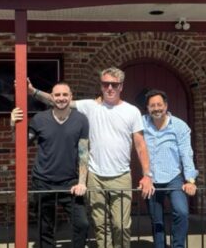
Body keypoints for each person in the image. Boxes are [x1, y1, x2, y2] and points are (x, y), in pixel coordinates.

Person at [27, 67, 155, 248]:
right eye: (105, 84)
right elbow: (58, 100)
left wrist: (147, 175)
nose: (109, 88)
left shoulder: (132, 111)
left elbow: (141, 145)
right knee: (100, 226)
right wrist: (33, 92)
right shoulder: (90, 106)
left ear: (121, 87)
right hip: (95, 176)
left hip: (121, 176)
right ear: (101, 86)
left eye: (114, 84)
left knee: (121, 225)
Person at [11, 82, 90, 248]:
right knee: (45, 227)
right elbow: (21, 143)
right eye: (57, 95)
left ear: (71, 97)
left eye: (65, 95)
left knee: (82, 223)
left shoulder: (81, 119)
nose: (61, 98)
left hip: (70, 183)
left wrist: (82, 182)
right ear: (52, 98)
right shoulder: (40, 119)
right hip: (43, 181)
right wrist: (13, 125)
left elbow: (83, 153)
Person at [142, 89, 198, 248]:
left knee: (181, 212)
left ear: (166, 106)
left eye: (159, 104)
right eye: (152, 105)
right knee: (156, 219)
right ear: (147, 108)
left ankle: (178, 246)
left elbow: (187, 153)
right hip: (151, 180)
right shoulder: (142, 123)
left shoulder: (179, 126)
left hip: (174, 178)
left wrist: (190, 180)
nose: (156, 108)